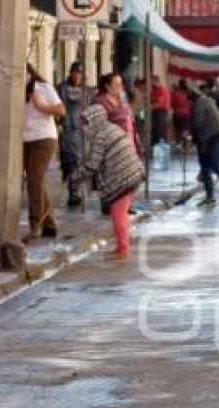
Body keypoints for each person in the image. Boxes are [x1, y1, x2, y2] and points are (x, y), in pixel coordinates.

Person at [71, 104, 146, 260]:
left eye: (86, 122)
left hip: (123, 178)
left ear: (95, 120)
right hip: (133, 174)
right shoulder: (111, 128)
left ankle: (122, 251)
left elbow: (93, 164)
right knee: (121, 214)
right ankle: (121, 247)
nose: (85, 127)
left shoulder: (100, 135)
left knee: (118, 214)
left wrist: (75, 176)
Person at [23, 63, 65, 240]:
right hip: (24, 141)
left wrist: (41, 106)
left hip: (44, 139)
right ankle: (49, 223)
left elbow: (61, 111)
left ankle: (35, 224)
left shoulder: (43, 87)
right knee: (37, 181)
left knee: (34, 180)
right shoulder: (11, 88)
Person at [191, 87, 219, 206]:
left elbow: (198, 123)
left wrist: (194, 138)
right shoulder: (207, 101)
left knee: (216, 165)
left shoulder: (199, 104)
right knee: (205, 167)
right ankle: (210, 196)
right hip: (213, 137)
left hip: (214, 138)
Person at [57, 62, 87, 208]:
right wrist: (63, 124)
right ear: (71, 73)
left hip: (80, 131)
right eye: (75, 73)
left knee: (78, 162)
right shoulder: (63, 87)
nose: (77, 76)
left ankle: (74, 192)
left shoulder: (84, 89)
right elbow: (61, 107)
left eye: (80, 73)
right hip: (67, 131)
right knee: (70, 161)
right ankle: (73, 193)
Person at [96, 73, 141, 152]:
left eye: (121, 84)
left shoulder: (122, 102)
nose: (121, 87)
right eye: (117, 84)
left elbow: (132, 124)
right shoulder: (100, 101)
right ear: (108, 86)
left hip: (128, 148)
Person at [150, 75, 170, 145]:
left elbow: (160, 101)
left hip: (161, 111)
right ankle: (155, 147)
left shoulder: (162, 90)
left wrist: (151, 106)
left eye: (152, 81)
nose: (151, 83)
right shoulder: (153, 90)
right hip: (155, 112)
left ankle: (161, 148)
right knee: (155, 131)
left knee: (160, 130)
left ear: (156, 81)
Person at [170, 79, 192, 144]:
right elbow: (191, 104)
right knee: (185, 130)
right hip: (186, 114)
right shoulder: (188, 93)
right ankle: (185, 145)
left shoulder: (175, 93)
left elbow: (172, 103)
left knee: (178, 130)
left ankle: (178, 144)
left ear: (179, 85)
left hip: (177, 114)